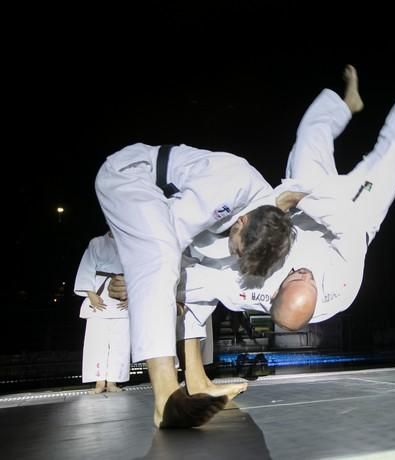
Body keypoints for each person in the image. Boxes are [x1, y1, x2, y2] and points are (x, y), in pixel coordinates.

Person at [153, 64, 395, 391]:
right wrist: (305, 198)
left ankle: (344, 106)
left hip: (299, 208)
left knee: (308, 137)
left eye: (297, 276)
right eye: (309, 280)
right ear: (319, 295)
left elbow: (206, 281)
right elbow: (346, 223)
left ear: (276, 291)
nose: (305, 272)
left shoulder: (256, 287)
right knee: (392, 154)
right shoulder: (342, 287)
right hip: (355, 213)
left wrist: (161, 283)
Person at [95, 140, 294, 428]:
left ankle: (197, 380)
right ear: (242, 221)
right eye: (239, 249)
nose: (236, 255)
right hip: (131, 176)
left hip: (167, 209)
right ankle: (165, 398)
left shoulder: (266, 218)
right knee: (161, 254)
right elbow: (161, 241)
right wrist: (130, 277)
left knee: (203, 278)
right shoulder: (228, 185)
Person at [74, 231, 129, 394]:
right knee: (96, 342)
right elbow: (86, 268)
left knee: (120, 343)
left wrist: (132, 296)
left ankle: (113, 381)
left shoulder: (131, 241)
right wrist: (90, 294)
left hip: (123, 295)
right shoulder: (97, 243)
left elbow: (139, 272)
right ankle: (99, 381)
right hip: (99, 296)